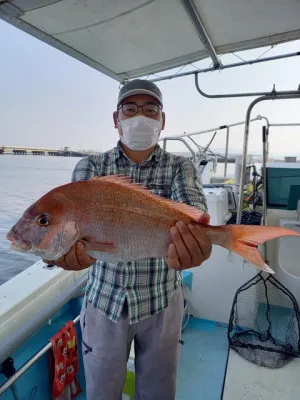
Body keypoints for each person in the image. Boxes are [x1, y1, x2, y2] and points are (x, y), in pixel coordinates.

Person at [44, 79, 212, 400]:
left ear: (162, 121)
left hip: (162, 299)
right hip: (105, 300)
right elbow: (74, 228)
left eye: (150, 110)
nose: (141, 117)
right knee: (102, 392)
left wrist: (196, 244)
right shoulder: (91, 166)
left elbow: (194, 215)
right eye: (131, 109)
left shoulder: (180, 166)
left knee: (159, 392)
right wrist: (66, 250)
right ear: (116, 119)